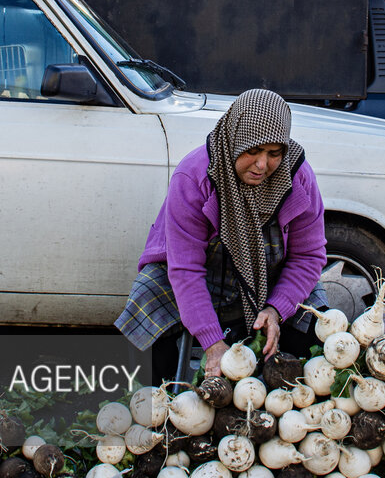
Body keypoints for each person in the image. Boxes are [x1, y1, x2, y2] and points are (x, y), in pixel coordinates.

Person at [115, 89, 328, 379]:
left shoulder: (299, 177)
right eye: (252, 151)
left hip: (270, 276)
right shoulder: (194, 176)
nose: (262, 165)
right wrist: (213, 342)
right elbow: (186, 269)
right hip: (202, 276)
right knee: (147, 297)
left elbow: (307, 257)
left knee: (317, 321)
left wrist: (276, 309)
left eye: (274, 153)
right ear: (234, 141)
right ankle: (160, 408)